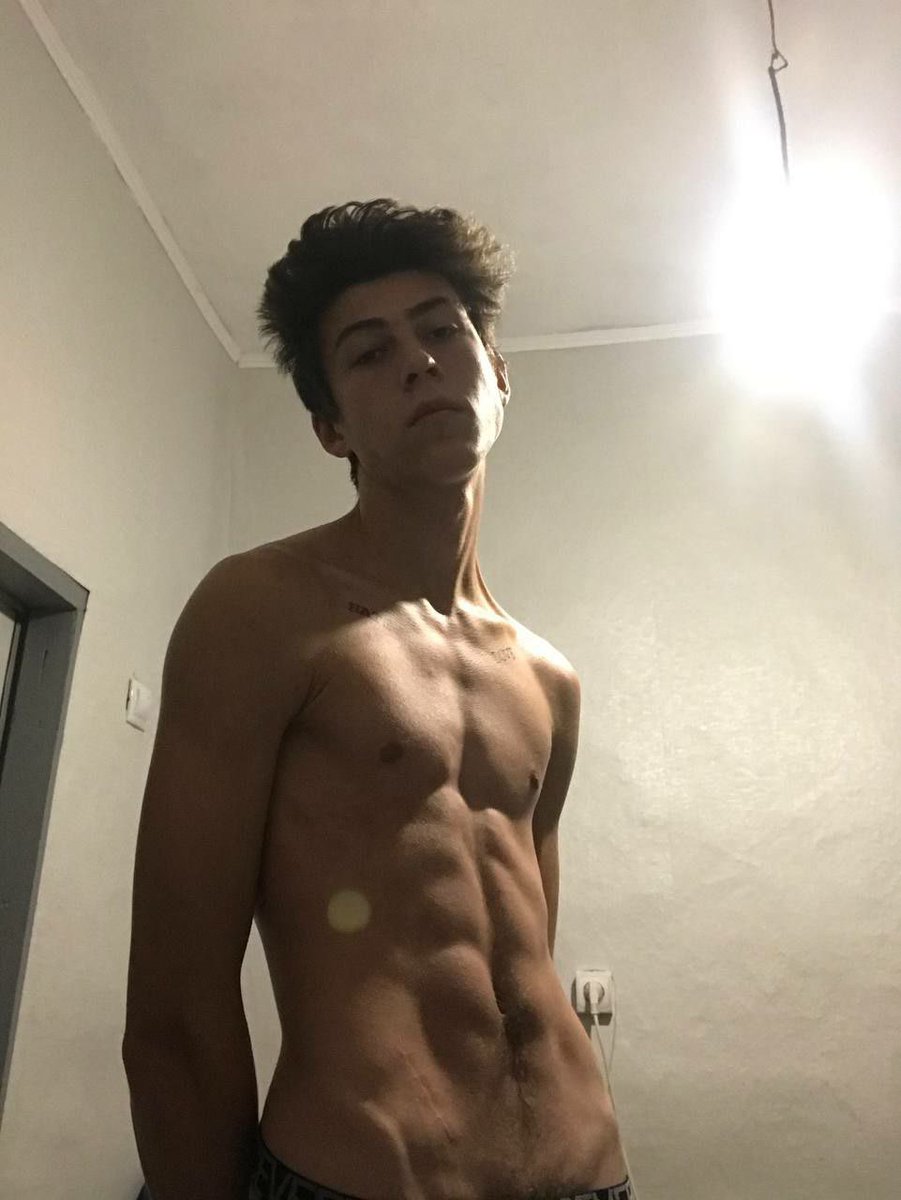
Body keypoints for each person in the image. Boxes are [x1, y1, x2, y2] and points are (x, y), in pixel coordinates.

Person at [122, 199, 632, 1200]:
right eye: (369, 352)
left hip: (588, 1176)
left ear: (498, 371)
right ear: (330, 429)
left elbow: (517, 958)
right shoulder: (260, 612)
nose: (419, 361)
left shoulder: (549, 680)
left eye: (443, 329)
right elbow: (175, 1012)